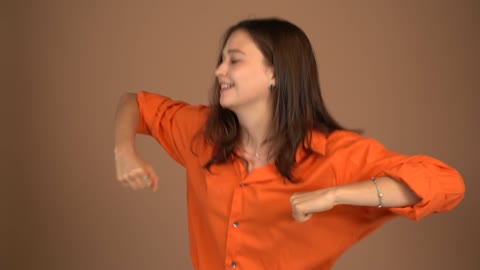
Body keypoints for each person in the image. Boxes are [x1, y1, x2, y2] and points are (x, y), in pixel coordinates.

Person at [113, 18, 465, 270]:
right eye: (220, 60)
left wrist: (335, 195)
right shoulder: (201, 133)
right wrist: (124, 151)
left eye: (234, 59)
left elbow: (446, 184)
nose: (219, 71)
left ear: (275, 74)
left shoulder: (335, 154)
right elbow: (135, 103)